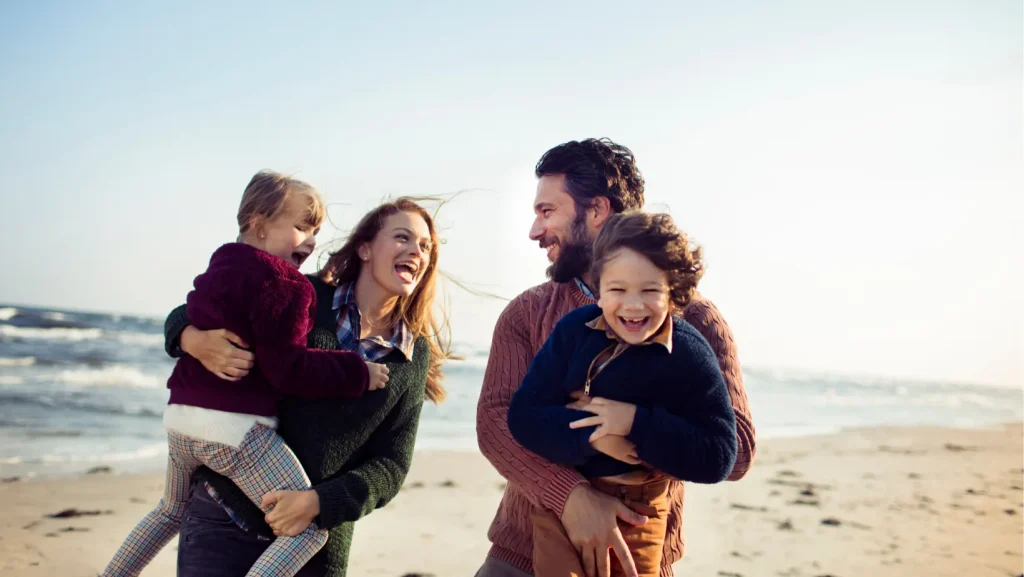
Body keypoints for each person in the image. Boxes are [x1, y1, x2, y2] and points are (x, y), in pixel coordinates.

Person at [475, 138, 756, 577]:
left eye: (547, 211)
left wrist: (628, 424)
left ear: (597, 211)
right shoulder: (528, 312)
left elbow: (735, 451)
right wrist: (570, 497)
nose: (534, 230)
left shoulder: (694, 319)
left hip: (637, 556)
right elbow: (496, 423)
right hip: (523, 557)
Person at [103, 171, 389, 577]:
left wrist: (189, 336)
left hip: (181, 421)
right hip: (234, 432)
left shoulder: (221, 263)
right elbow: (288, 368)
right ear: (257, 223)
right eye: (301, 227)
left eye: (315, 231)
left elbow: (190, 309)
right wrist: (357, 372)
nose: (310, 240)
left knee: (169, 510)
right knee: (307, 531)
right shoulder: (285, 283)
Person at [160, 196, 449, 577]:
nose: (416, 251)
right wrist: (189, 337)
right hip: (225, 517)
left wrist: (318, 502)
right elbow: (194, 309)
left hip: (312, 548)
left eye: (425, 246)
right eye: (402, 238)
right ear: (364, 248)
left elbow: (391, 465)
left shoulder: (412, 354)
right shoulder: (299, 293)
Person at [508, 211, 738, 577]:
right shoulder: (575, 332)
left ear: (673, 290)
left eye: (649, 290)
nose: (632, 305)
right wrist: (595, 436)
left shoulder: (688, 353)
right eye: (617, 290)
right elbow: (524, 417)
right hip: (564, 507)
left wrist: (632, 422)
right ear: (598, 289)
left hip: (640, 513)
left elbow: (720, 455)